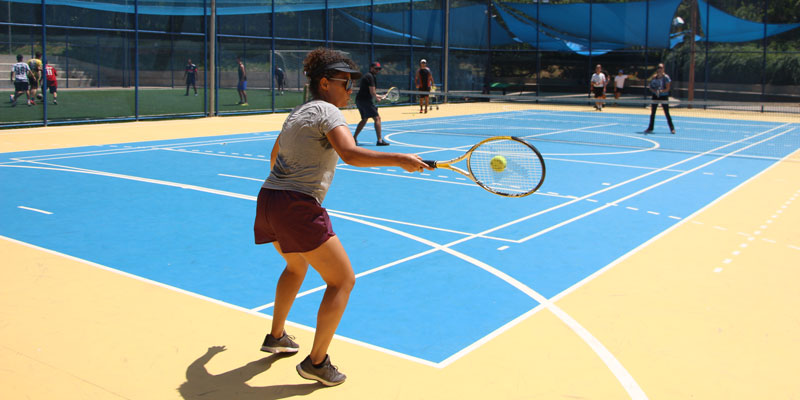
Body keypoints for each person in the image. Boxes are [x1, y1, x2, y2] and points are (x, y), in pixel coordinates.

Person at [254, 47, 432, 387]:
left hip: (269, 201)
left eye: (351, 82)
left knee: (296, 266)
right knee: (342, 281)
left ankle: (276, 336)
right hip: (295, 206)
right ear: (325, 83)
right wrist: (398, 158)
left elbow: (275, 153)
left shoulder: (297, 113)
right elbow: (349, 154)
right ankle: (316, 362)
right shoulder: (329, 112)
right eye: (345, 82)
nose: (350, 89)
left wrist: (288, 183)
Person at [352, 62, 388, 146]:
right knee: (377, 118)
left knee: (364, 119)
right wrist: (378, 97)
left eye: (379, 69)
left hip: (360, 100)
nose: (377, 70)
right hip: (365, 100)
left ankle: (353, 138)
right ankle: (379, 141)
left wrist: (379, 96)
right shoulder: (370, 77)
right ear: (371, 68)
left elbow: (372, 93)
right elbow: (372, 92)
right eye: (376, 68)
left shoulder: (369, 76)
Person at [644, 63, 675, 134]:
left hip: (664, 96)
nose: (659, 69)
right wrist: (655, 91)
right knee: (653, 113)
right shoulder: (654, 77)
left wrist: (661, 91)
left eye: (661, 68)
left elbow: (668, 88)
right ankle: (650, 128)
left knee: (667, 113)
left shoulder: (666, 77)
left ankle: (672, 128)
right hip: (655, 96)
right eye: (658, 68)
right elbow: (651, 87)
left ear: (663, 69)